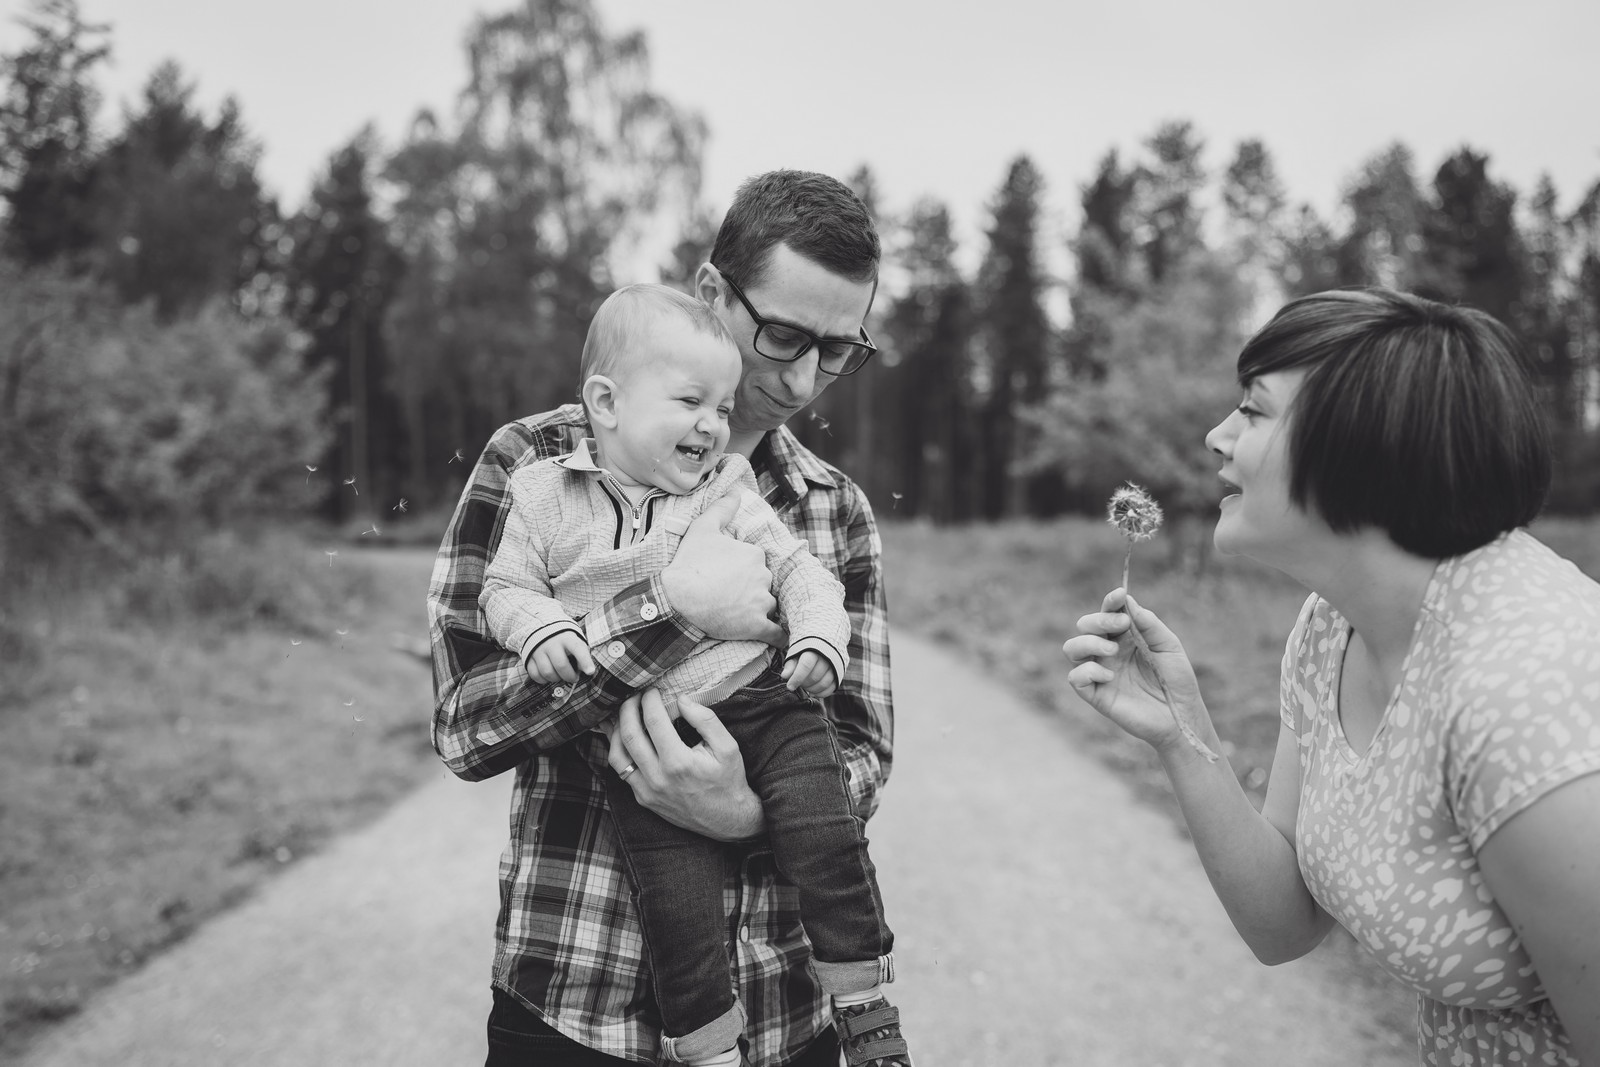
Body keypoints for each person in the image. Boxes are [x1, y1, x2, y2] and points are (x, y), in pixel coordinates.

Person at [428, 170, 904, 1067]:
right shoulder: (534, 465)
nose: (803, 378)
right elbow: (465, 727)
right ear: (713, 292)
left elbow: (864, 756)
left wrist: (744, 811)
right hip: (573, 998)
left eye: (839, 350)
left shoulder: (835, 512)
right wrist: (670, 613)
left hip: (784, 1009)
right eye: (784, 335)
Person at [1063, 288, 1600, 1065]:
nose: (1217, 437)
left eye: (1252, 411)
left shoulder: (1529, 700)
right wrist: (1180, 734)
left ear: (1367, 445)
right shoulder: (1330, 627)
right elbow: (1282, 922)